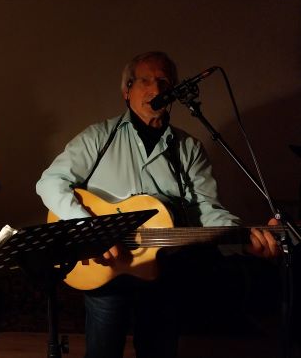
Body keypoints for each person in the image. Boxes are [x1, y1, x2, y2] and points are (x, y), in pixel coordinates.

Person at [36, 51, 280, 358]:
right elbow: (49, 183)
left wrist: (242, 237)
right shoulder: (98, 137)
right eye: (145, 81)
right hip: (104, 268)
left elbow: (206, 209)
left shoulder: (189, 148)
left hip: (165, 272)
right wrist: (92, 229)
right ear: (127, 91)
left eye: (164, 81)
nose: (155, 89)